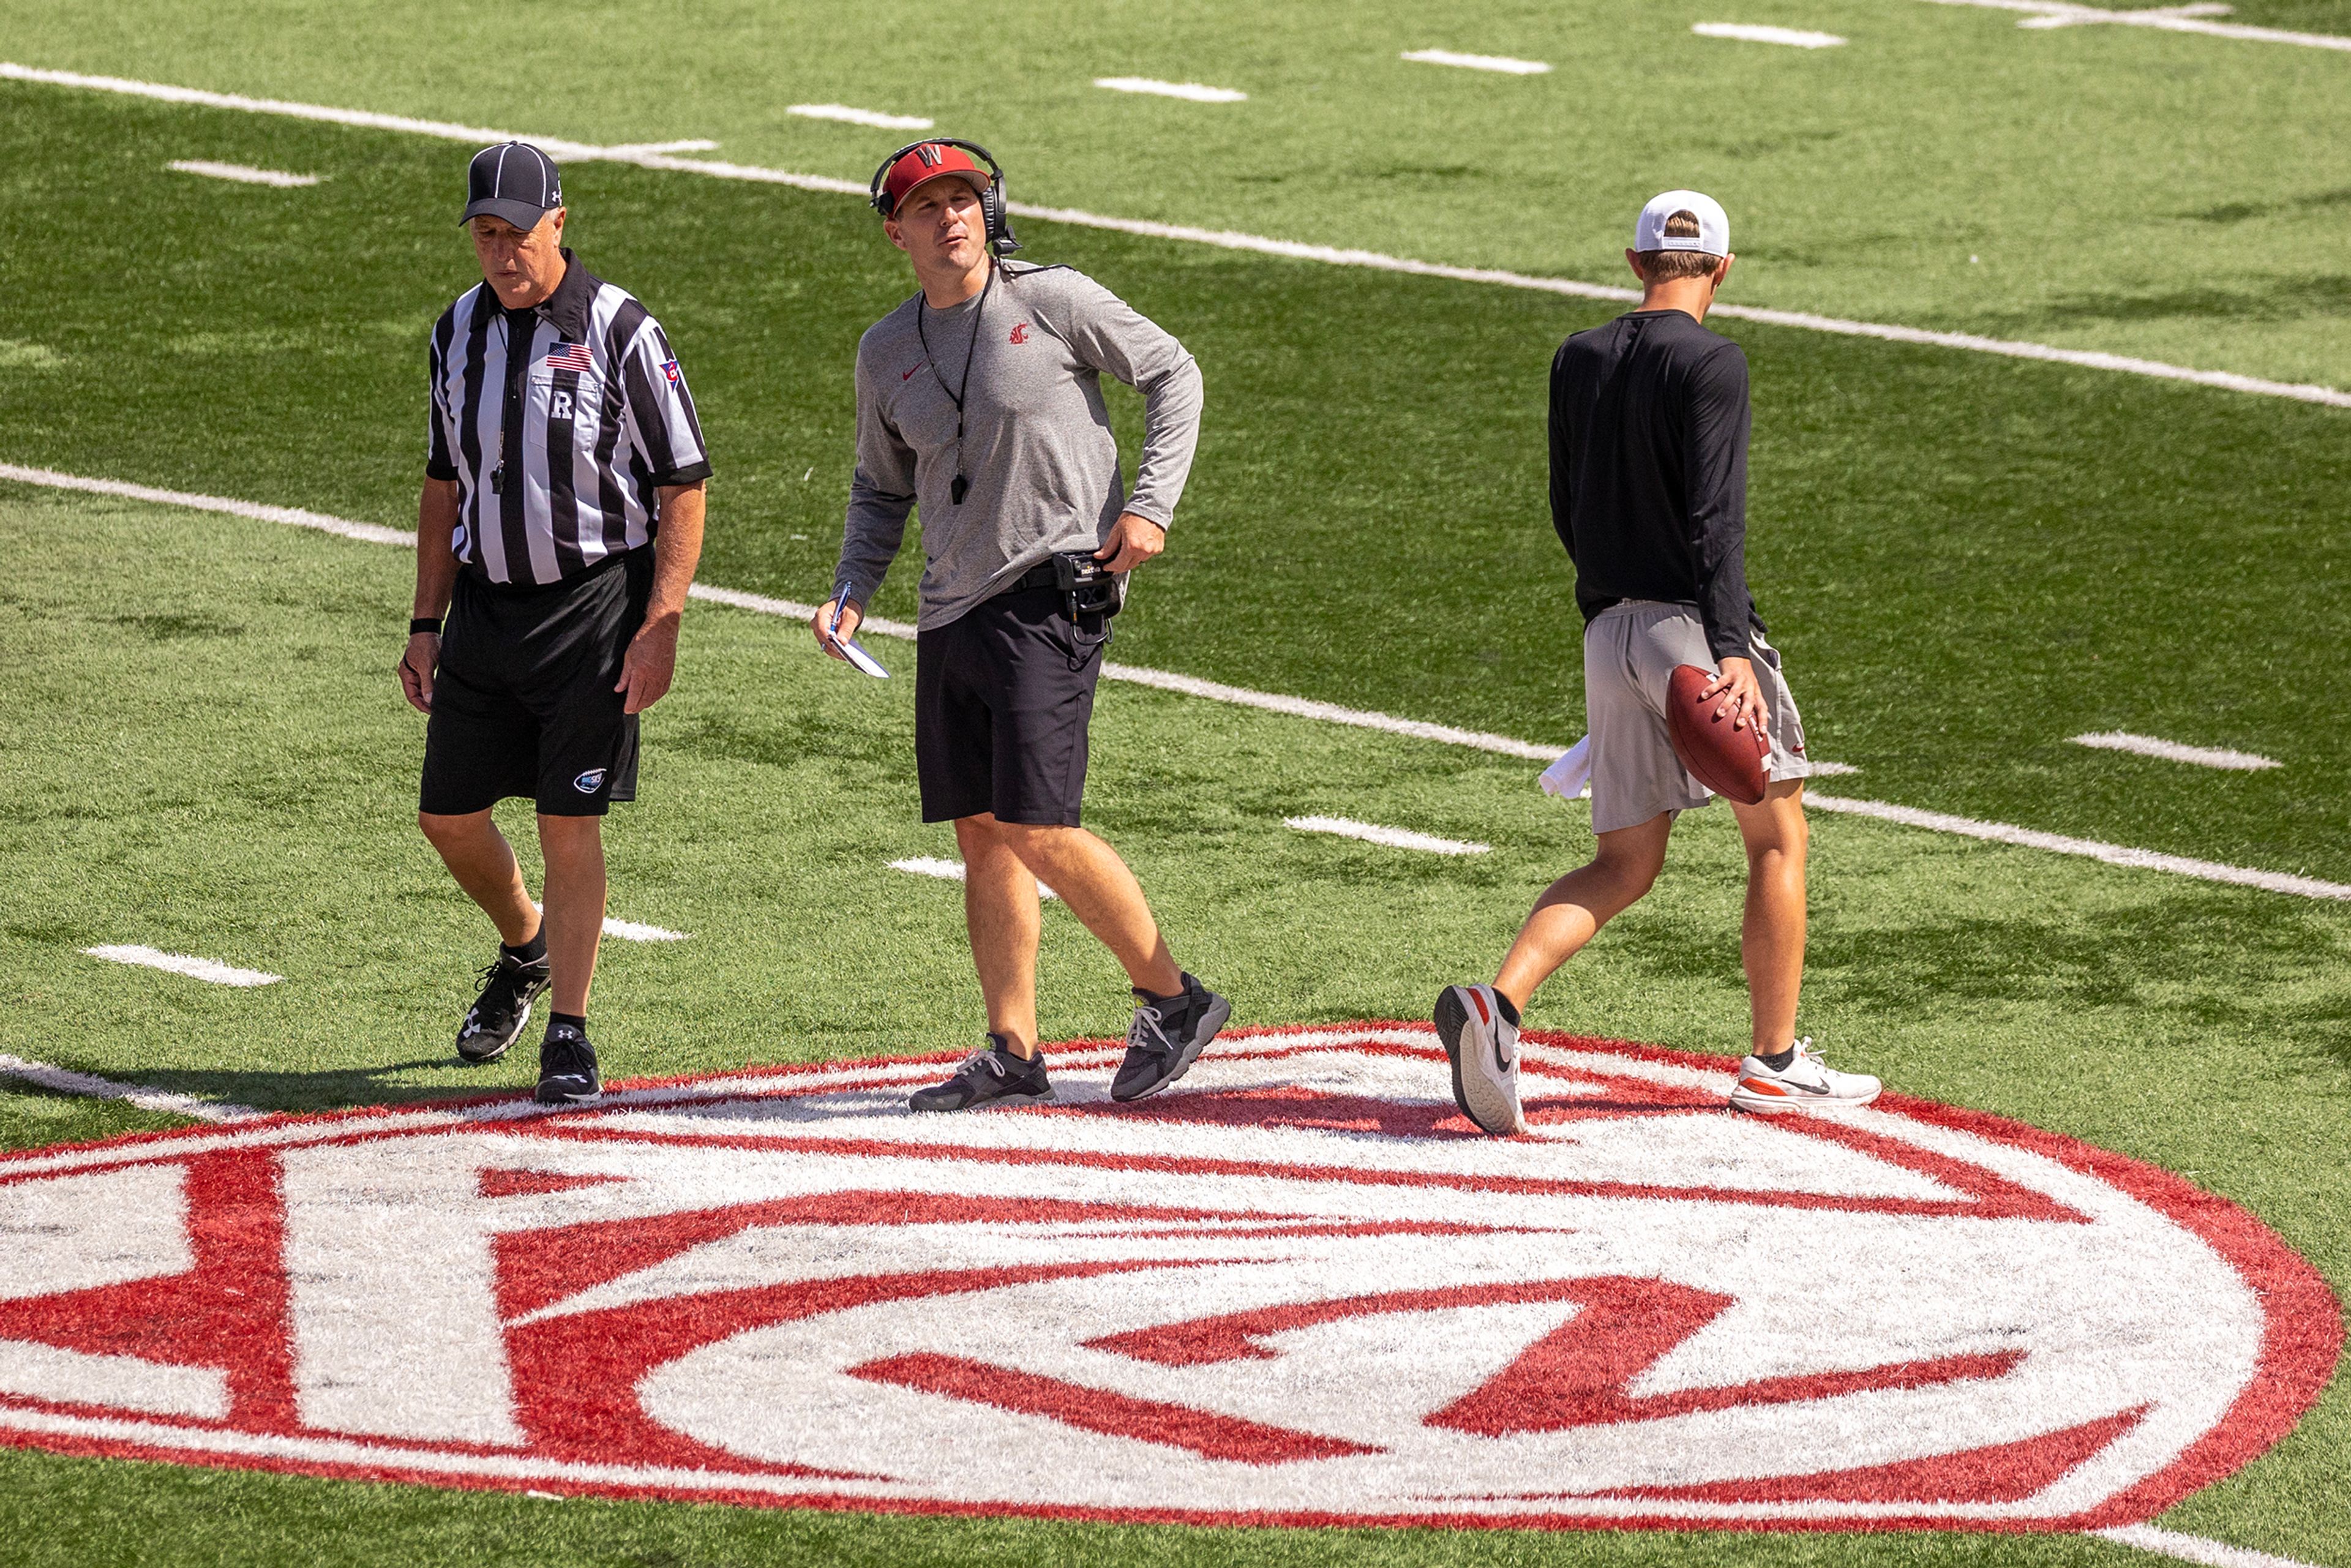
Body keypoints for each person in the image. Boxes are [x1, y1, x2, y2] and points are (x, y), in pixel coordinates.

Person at [1434, 190, 1880, 1133]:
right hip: (1693, 635)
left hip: (1608, 630)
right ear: (1722, 270)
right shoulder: (1715, 361)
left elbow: (1566, 505)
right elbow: (1718, 519)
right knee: (1776, 837)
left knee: (1624, 862)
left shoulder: (1578, 356)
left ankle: (1499, 1006)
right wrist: (1730, 650)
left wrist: (1615, 625)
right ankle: (1775, 1060)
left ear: (1636, 262)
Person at [813, 139, 1229, 1112]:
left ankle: (1175, 997)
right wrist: (852, 587)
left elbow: (1175, 374)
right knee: (983, 834)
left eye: (964, 199)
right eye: (929, 207)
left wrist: (1153, 505)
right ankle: (1013, 1047)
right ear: (897, 232)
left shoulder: (1053, 299)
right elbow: (881, 489)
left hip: (1053, 586)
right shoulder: (886, 349)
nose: (952, 217)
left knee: (1039, 824)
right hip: (949, 606)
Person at [399, 141, 711, 1105]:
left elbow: (684, 482)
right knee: (446, 817)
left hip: (592, 613)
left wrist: (661, 621)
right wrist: (424, 620)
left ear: (560, 224)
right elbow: (443, 481)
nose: (501, 254)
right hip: (488, 609)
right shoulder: (457, 331)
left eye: (517, 235)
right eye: (486, 236)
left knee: (568, 823)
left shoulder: (621, 329)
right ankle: (526, 948)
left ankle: (570, 1031)